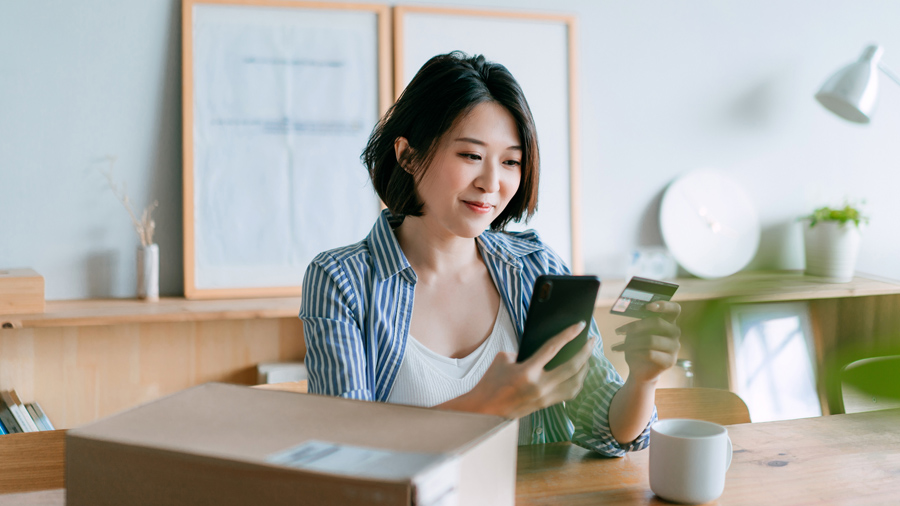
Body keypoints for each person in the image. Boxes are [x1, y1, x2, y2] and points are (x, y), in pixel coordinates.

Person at [299, 51, 681, 457]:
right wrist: (488, 405)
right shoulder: (341, 281)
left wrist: (643, 378)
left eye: (511, 161)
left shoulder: (537, 269)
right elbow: (344, 453)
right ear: (407, 155)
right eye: (470, 156)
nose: (492, 182)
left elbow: (610, 432)